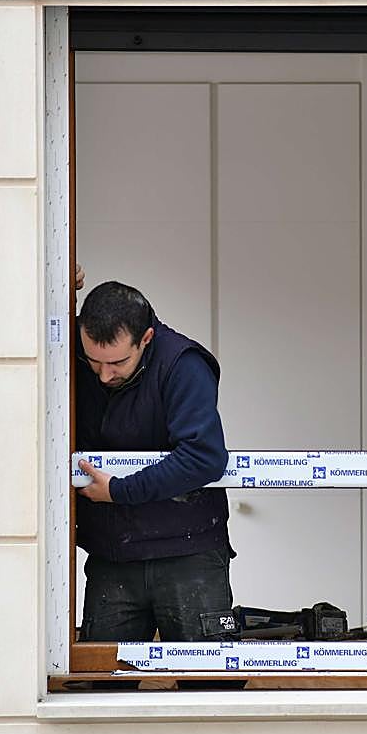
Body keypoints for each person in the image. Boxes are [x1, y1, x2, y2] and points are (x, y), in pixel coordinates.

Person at [73, 272, 233, 643]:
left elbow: (204, 457)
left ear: (146, 339)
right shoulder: (76, 351)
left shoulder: (183, 364)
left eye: (116, 364)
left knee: (206, 684)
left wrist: (119, 491)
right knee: (106, 689)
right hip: (112, 557)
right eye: (93, 362)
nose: (103, 375)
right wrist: (58, 283)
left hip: (187, 553)